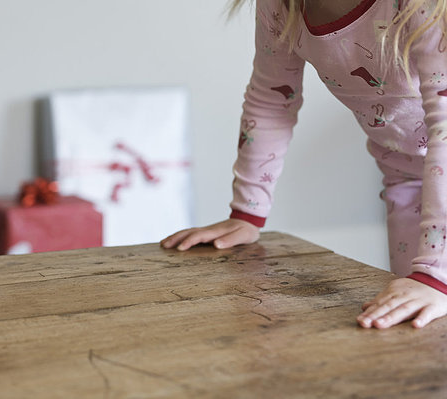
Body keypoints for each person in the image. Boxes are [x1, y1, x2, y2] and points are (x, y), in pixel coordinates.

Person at [161, 0, 447, 329]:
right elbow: (271, 98)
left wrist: (435, 272)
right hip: (405, 178)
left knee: (429, 292)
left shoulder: (419, 6)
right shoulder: (283, 6)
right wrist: (247, 211)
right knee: (414, 324)